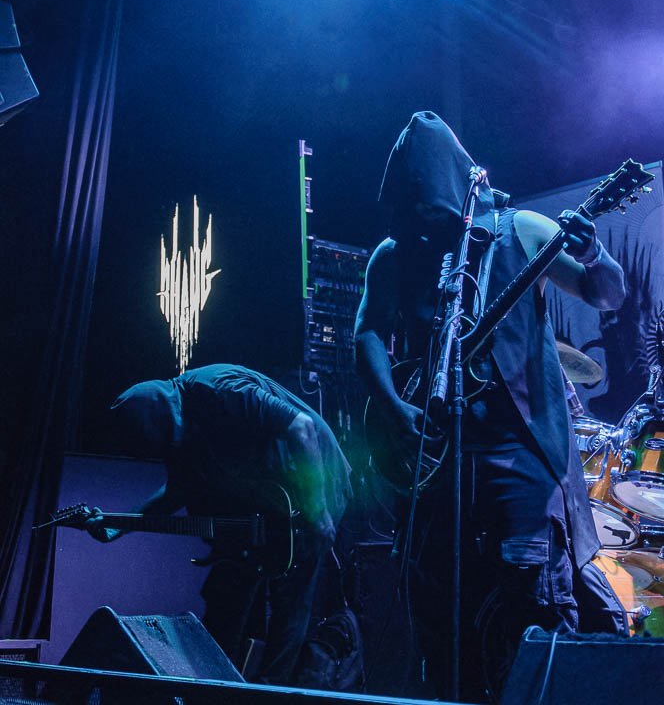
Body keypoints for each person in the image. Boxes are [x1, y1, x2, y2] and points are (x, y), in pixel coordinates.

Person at [354, 111, 628, 700]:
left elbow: (604, 294)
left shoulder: (520, 230)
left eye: (431, 211)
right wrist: (394, 408)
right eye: (411, 214)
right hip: (438, 466)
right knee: (443, 612)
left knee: (534, 610)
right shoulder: (394, 255)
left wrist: (595, 252)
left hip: (520, 459)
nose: (422, 226)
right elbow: (367, 331)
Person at [86, 363, 352, 685]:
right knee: (225, 596)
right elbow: (176, 491)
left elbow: (302, 427)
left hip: (314, 483)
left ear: (169, 411)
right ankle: (215, 687)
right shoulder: (178, 432)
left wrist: (318, 511)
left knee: (290, 600)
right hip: (264, 503)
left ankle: (270, 692)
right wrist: (115, 526)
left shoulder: (221, 389)